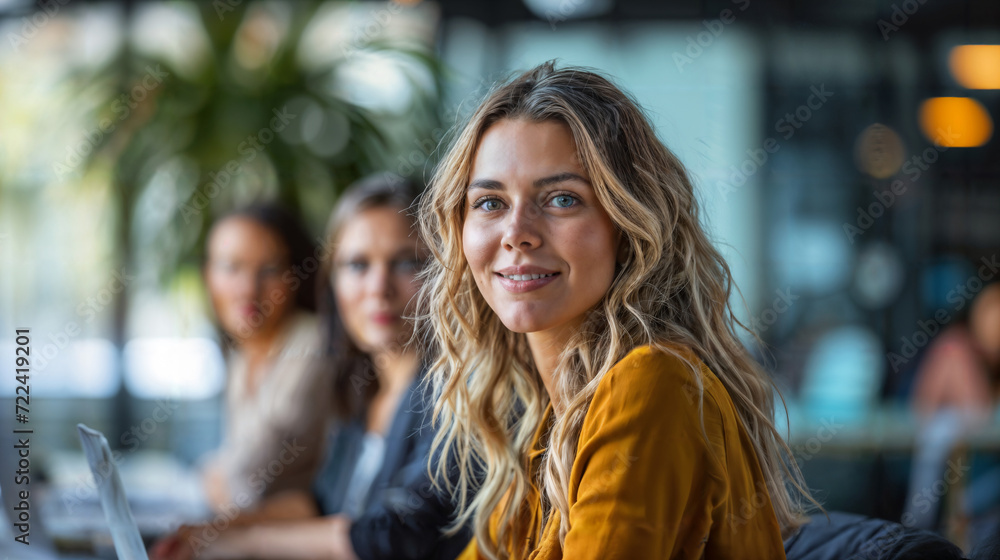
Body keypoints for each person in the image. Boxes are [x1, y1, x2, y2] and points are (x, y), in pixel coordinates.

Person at [415, 61, 816, 559]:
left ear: (628, 230)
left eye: (562, 199)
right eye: (490, 202)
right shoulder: (553, 427)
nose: (517, 231)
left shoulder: (653, 384)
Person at [152, 174, 470, 560]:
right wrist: (210, 531)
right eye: (357, 265)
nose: (378, 287)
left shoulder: (458, 391)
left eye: (406, 262)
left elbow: (394, 536)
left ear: (444, 269)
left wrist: (242, 543)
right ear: (332, 280)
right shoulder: (360, 389)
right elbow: (320, 502)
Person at [200, 203, 330, 512]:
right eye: (231, 267)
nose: (248, 289)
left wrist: (212, 478)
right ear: (208, 276)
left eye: (270, 270)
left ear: (297, 275)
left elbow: (247, 480)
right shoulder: (241, 354)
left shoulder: (314, 346)